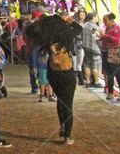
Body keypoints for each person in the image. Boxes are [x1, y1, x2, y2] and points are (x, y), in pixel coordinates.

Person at [29, 12, 81, 145]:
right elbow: (79, 29)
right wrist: (69, 21)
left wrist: (40, 22)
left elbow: (29, 30)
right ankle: (68, 136)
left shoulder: (47, 38)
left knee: (60, 100)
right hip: (67, 73)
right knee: (68, 103)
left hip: (53, 73)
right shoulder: (67, 35)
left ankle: (62, 125)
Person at [99, 13, 120, 101]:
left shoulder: (117, 28)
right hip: (106, 53)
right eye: (103, 20)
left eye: (105, 20)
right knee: (109, 73)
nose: (104, 22)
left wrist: (105, 36)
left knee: (118, 73)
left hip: (114, 53)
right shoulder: (108, 28)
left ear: (111, 20)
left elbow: (118, 40)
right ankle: (110, 92)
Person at [80, 13, 101, 87]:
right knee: (95, 66)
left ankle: (88, 81)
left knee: (87, 65)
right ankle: (96, 82)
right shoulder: (94, 27)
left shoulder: (84, 25)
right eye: (96, 17)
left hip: (85, 47)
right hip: (94, 48)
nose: (97, 19)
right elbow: (98, 38)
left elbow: (81, 37)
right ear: (93, 17)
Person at [72, 10, 87, 85]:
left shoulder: (86, 24)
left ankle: (80, 79)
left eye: (84, 15)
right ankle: (81, 79)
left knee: (79, 63)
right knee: (78, 63)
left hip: (83, 45)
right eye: (81, 15)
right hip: (78, 45)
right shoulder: (76, 24)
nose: (82, 17)